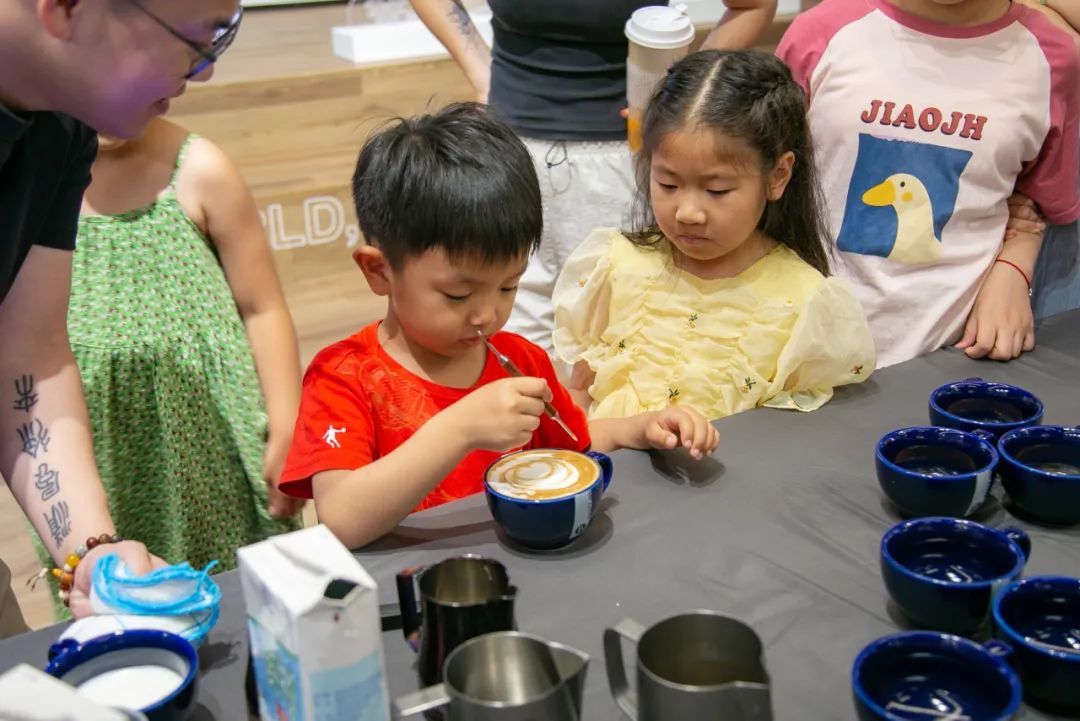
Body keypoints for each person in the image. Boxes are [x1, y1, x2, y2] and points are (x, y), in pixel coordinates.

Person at [278, 103, 719, 549]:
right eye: (458, 294)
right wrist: (461, 429)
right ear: (379, 272)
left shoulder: (520, 361)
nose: (487, 314)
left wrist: (638, 429)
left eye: (508, 287)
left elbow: (572, 443)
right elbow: (341, 521)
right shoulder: (343, 376)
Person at [0, 0, 242, 632]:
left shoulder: (62, 124)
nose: (205, 70)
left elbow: (27, 350)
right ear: (65, 8)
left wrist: (96, 556)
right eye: (196, 39)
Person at [26, 117, 304, 611]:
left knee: (240, 599)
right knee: (117, 602)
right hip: (99, 454)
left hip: (209, 453)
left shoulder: (199, 169)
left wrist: (287, 425)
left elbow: (263, 308)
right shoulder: (32, 184)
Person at [408, 0, 778, 362]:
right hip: (508, 150)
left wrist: (679, 94)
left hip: (627, 158)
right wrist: (481, 72)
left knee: (617, 338)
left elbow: (752, 5)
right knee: (508, 339)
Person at [552, 50, 875, 421]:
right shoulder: (615, 264)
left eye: (717, 190)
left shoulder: (803, 301)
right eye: (668, 183)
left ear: (778, 176)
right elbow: (580, 393)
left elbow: (798, 438)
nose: (688, 212)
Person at [777, 0, 1080, 367]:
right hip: (797, 347)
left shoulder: (1053, 60)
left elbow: (1040, 201)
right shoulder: (822, 32)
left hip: (956, 352)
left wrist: (1015, 266)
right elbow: (758, 183)